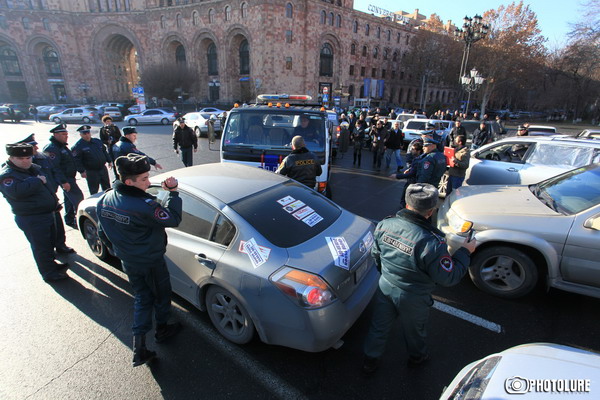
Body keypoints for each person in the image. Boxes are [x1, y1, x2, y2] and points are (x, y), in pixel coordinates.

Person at [362, 183, 476, 374]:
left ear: (407, 205)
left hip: (386, 285)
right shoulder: (432, 242)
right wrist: (465, 252)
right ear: (430, 212)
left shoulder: (385, 224)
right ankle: (417, 358)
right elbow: (449, 277)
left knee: (378, 326)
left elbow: (376, 255)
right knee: (415, 330)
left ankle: (369, 361)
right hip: (413, 296)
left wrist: (387, 274)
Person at [97, 154, 183, 367]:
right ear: (129, 182)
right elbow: (173, 219)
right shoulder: (143, 205)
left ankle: (140, 347)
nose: (148, 182)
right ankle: (162, 329)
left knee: (142, 297)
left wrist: (117, 250)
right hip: (150, 262)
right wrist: (172, 193)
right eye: (144, 178)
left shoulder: (105, 199)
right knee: (160, 296)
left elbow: (102, 231)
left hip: (129, 260)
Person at [0, 143, 69, 282]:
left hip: (46, 213)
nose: (26, 160)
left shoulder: (31, 169)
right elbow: (16, 192)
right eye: (21, 158)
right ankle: (48, 273)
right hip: (32, 218)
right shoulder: (7, 175)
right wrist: (36, 181)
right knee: (41, 246)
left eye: (28, 157)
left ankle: (51, 265)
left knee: (49, 243)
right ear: (12, 158)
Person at [18, 134, 74, 255]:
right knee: (43, 235)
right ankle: (49, 256)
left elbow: (55, 170)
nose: (37, 148)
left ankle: (61, 245)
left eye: (35, 145)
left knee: (57, 225)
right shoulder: (20, 167)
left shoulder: (43, 157)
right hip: (36, 206)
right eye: (33, 147)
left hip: (51, 198)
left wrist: (63, 181)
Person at [43, 123, 84, 229]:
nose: (66, 136)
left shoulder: (62, 146)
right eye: (63, 134)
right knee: (78, 199)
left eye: (66, 134)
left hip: (69, 178)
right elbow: (55, 167)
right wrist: (63, 182)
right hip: (66, 179)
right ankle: (79, 220)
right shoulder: (52, 148)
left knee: (69, 200)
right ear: (55, 135)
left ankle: (69, 219)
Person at [72, 125, 111, 195]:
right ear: (80, 135)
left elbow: (104, 151)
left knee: (107, 188)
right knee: (94, 190)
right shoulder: (78, 146)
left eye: (88, 133)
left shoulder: (97, 141)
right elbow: (76, 160)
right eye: (84, 134)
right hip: (91, 171)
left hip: (102, 168)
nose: (87, 135)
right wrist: (81, 171)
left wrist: (109, 160)